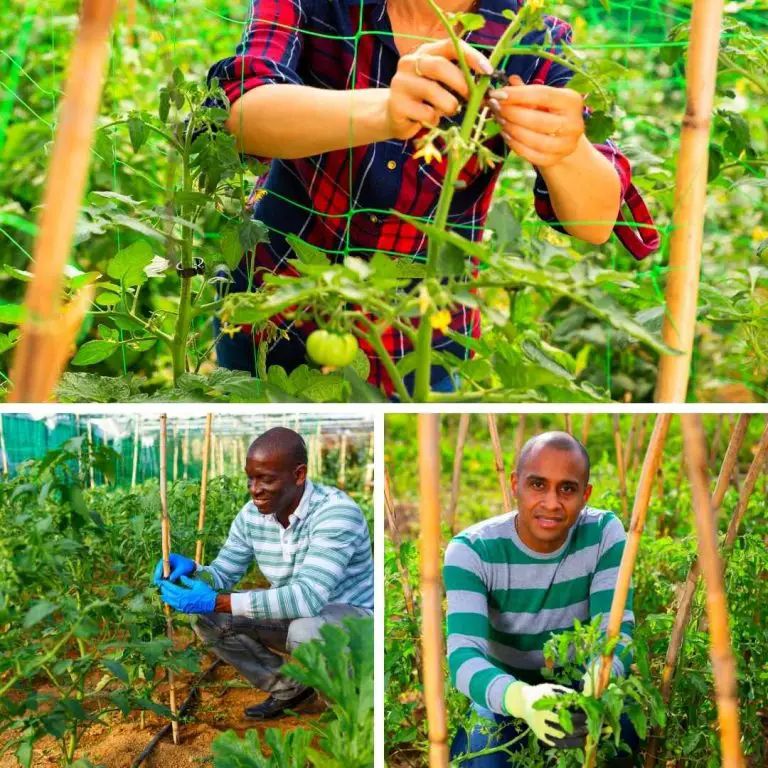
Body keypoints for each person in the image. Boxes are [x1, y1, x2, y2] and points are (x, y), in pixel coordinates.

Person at [206, 0, 660, 397]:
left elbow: (596, 221)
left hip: (422, 339)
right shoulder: (317, 6)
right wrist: (383, 111)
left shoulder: (530, 38)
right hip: (271, 304)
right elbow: (240, 112)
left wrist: (566, 149)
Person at [154, 427, 374, 720]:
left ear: (299, 474)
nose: (254, 489)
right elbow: (223, 574)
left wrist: (218, 601)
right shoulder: (251, 516)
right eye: (251, 478)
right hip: (298, 613)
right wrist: (193, 573)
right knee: (208, 618)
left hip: (354, 624)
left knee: (304, 631)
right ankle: (290, 687)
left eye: (266, 479)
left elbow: (307, 598)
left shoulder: (335, 513)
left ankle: (353, 712)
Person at [445, 431, 637, 766]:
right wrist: (525, 699)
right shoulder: (472, 551)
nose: (551, 502)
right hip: (506, 694)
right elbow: (463, 655)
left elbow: (616, 633)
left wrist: (594, 688)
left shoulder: (604, 533)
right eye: (537, 484)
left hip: (582, 687)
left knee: (621, 747)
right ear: (515, 484)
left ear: (585, 494)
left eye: (567, 488)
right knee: (478, 758)